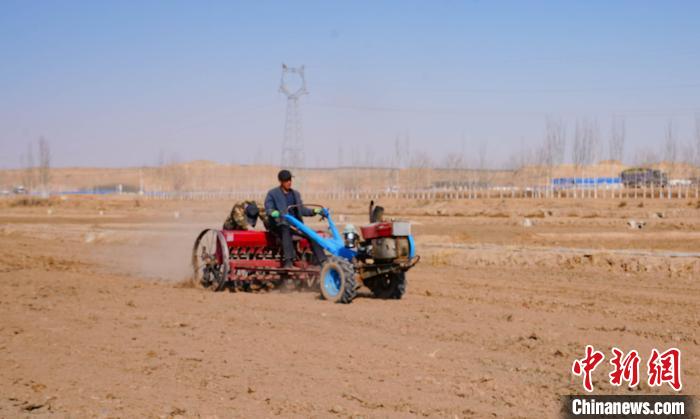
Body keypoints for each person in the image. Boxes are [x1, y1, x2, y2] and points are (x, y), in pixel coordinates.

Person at [264, 169, 327, 269]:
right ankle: (288, 261)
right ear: (281, 181)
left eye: (290, 180)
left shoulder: (295, 194)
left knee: (311, 234)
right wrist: (273, 212)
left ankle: (322, 261)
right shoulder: (272, 194)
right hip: (279, 225)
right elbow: (268, 208)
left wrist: (314, 211)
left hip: (295, 225)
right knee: (285, 228)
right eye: (286, 180)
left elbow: (302, 210)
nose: (289, 182)